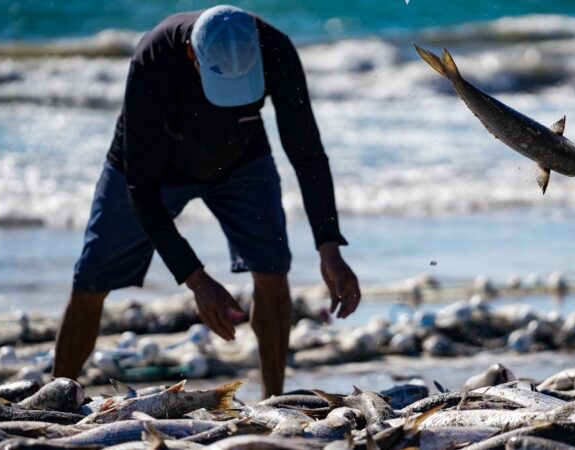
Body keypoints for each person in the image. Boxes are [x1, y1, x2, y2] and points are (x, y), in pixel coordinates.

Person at [51, 5, 361, 398]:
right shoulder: (154, 58)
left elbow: (307, 152)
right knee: (91, 281)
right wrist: (196, 280)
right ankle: (56, 401)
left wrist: (329, 246)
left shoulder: (276, 50)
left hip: (242, 159)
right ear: (192, 55)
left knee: (273, 271)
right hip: (153, 167)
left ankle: (273, 400)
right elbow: (141, 192)